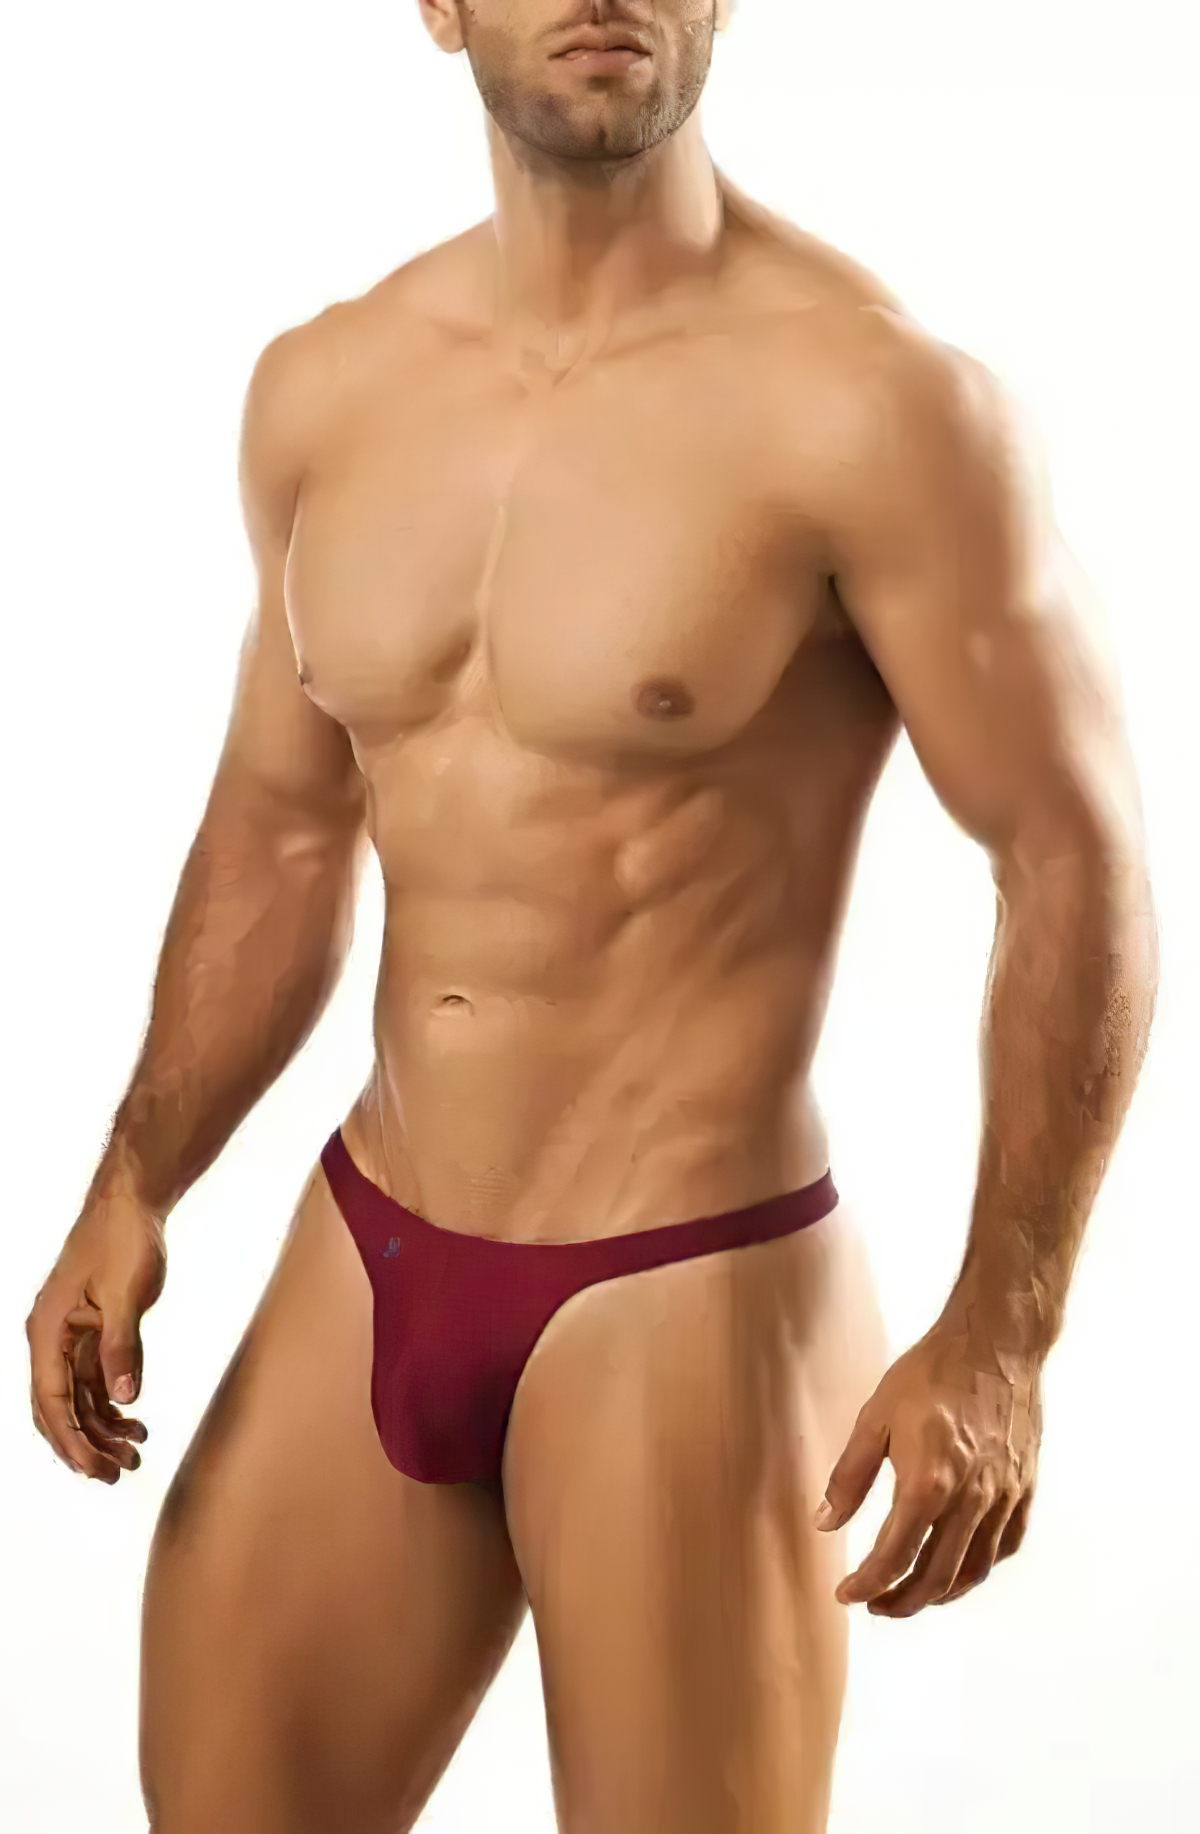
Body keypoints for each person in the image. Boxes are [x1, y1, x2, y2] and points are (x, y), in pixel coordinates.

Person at [25, 4, 1158, 1830]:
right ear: (440, 4)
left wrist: (1005, 1330)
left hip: (686, 1286)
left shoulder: (872, 405)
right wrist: (135, 1177)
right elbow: (285, 827)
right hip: (374, 1237)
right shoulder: (328, 391)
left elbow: (1071, 851)